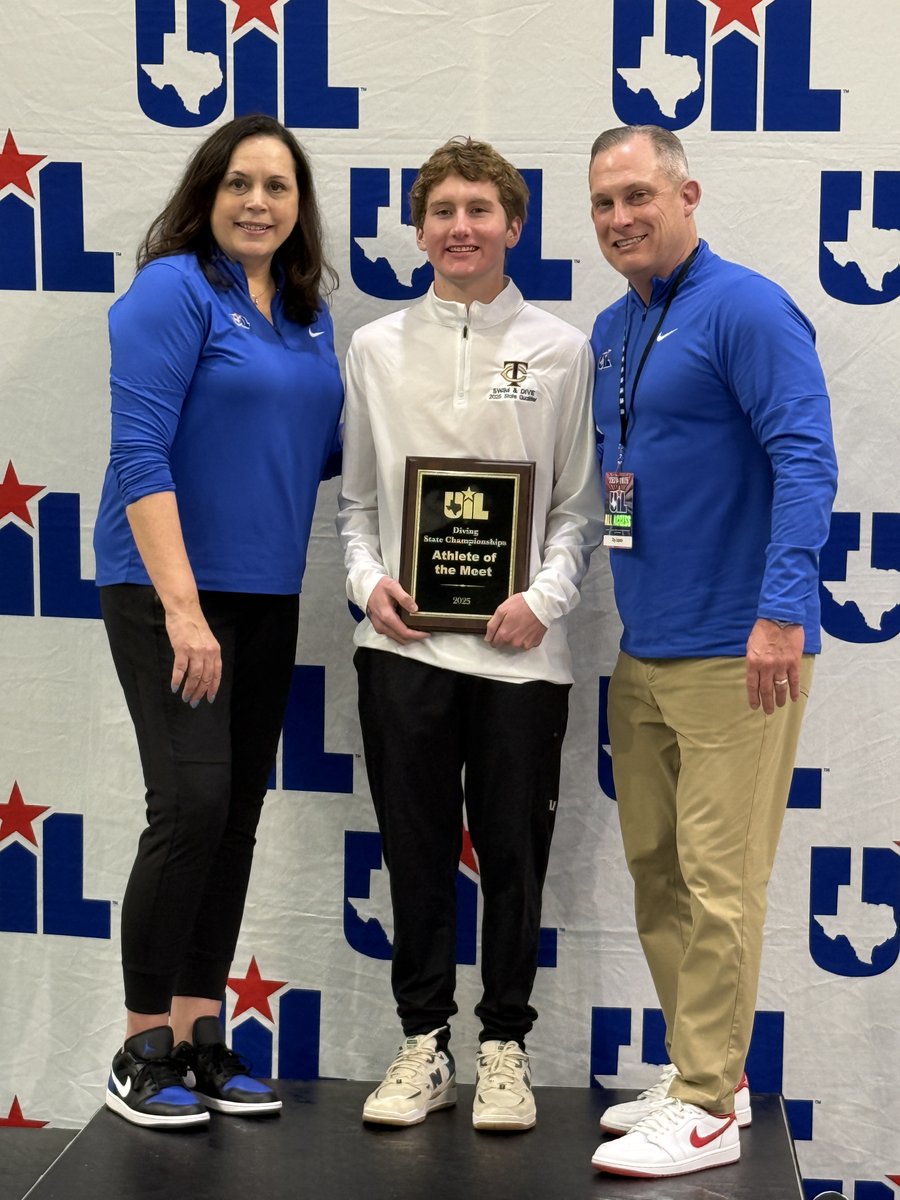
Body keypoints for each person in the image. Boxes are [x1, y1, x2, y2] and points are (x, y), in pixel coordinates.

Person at [586, 125, 838, 1178]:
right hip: (645, 649)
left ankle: (704, 1106)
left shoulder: (746, 307)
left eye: (638, 195)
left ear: (688, 193)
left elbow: (805, 451)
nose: (620, 218)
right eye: (602, 203)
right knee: (659, 874)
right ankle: (709, 1070)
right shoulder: (613, 325)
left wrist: (782, 609)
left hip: (738, 650)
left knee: (722, 880)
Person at [337, 137, 603, 1131]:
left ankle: (503, 1048)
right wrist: (368, 587)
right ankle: (422, 1045)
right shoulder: (373, 349)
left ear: (514, 226)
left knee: (512, 852)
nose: (460, 227)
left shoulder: (563, 349)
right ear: (419, 229)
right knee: (411, 848)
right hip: (402, 647)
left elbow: (582, 510)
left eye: (479, 210)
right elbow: (356, 505)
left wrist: (545, 597)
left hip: (523, 652)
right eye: (442, 209)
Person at [93, 114, 343, 1129]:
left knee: (234, 810)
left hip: (266, 594)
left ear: (298, 206)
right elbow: (142, 453)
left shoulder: (306, 312)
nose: (257, 202)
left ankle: (201, 1036)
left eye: (277, 187)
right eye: (239, 182)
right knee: (189, 806)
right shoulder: (170, 292)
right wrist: (183, 611)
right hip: (167, 593)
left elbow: (318, 452)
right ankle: (139, 1045)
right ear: (207, 192)